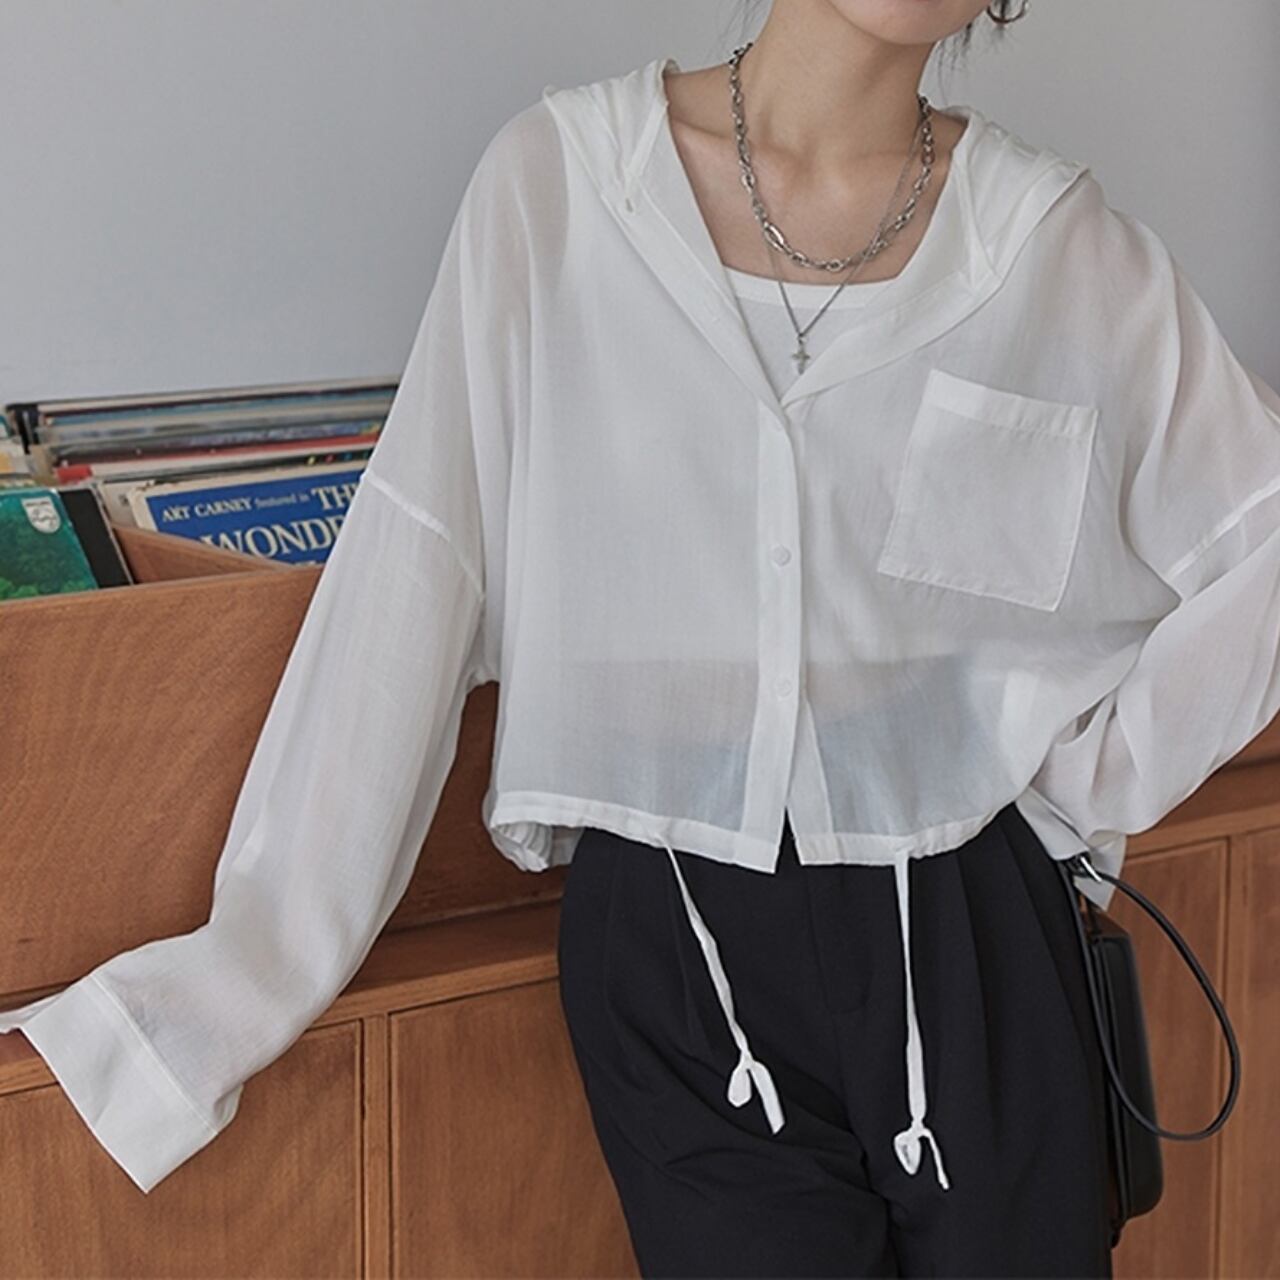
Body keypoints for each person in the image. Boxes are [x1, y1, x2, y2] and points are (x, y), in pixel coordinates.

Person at [4, 1, 1280, 1276]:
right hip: (679, 937)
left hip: (970, 927)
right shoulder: (558, 189)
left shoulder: (1055, 243)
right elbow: (414, 573)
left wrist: (1076, 787)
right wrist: (226, 990)